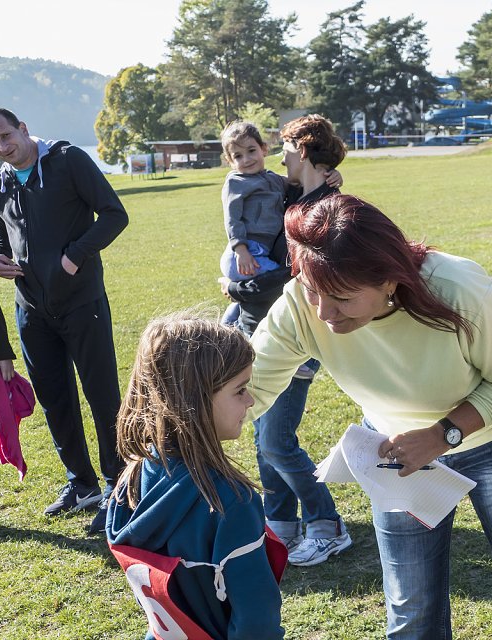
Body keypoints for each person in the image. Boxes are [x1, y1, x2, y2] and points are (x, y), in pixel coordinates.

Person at [249, 194, 492, 639]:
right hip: (397, 454)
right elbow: (250, 385)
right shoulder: (301, 304)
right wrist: (180, 438)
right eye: (313, 291)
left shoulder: (459, 288)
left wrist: (444, 434)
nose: (323, 314)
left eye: (343, 299)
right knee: (411, 611)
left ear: (390, 280)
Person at [220, 114, 352, 567]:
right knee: (263, 436)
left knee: (276, 441)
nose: (277, 155)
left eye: (285, 147)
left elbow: (298, 278)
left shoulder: (324, 207)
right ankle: (280, 520)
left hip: (298, 341)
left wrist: (236, 286)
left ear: (303, 149)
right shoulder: (295, 195)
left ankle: (326, 523)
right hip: (265, 330)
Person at [106, 313, 285, 639]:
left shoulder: (133, 477)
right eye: (240, 389)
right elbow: (257, 621)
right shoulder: (231, 500)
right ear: (195, 400)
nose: (251, 399)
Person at [0, 107, 128, 534]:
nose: (2, 148)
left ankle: (118, 487)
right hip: (31, 309)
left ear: (23, 129)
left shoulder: (68, 160)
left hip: (81, 302)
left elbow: (114, 214)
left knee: (102, 396)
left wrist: (76, 254)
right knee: (55, 400)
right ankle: (82, 485)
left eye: (5, 136)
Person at [218, 121, 288, 325]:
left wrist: (332, 174)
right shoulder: (236, 182)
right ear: (230, 161)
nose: (246, 159)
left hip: (258, 252)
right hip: (243, 254)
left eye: (251, 151)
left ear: (264, 149)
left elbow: (298, 180)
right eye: (238, 156)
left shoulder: (273, 179)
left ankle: (228, 325)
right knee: (280, 282)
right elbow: (232, 218)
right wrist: (241, 249)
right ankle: (230, 323)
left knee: (257, 292)